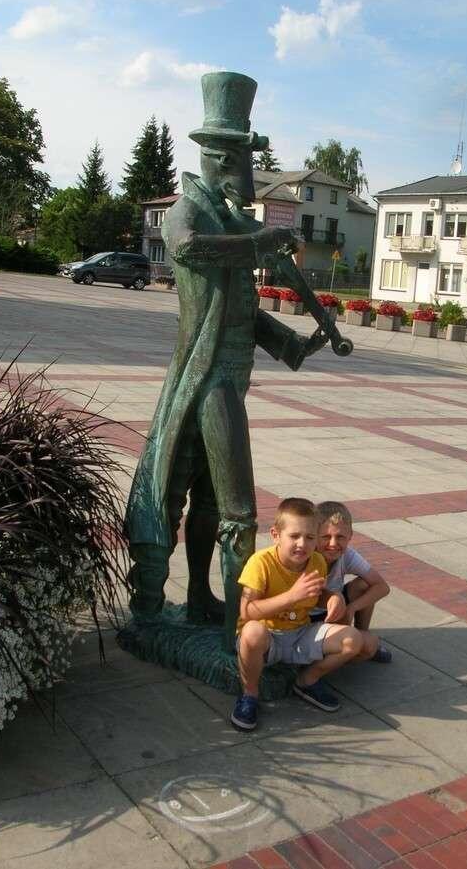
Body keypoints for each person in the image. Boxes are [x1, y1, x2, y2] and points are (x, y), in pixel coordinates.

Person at [123, 72, 328, 648]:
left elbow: (242, 311)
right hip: (207, 380)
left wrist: (291, 344)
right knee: (236, 505)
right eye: (242, 159)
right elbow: (186, 248)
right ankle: (243, 620)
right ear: (219, 158)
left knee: (210, 500)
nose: (249, 172)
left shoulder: (230, 220)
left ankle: (201, 598)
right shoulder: (188, 212)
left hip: (231, 377)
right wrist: (260, 242)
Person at [231, 497, 378, 731]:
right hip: (268, 636)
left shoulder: (316, 560)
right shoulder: (260, 563)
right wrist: (291, 596)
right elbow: (247, 611)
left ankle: (307, 680)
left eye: (310, 537)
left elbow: (316, 594)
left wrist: (331, 598)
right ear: (276, 535)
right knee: (252, 632)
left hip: (300, 632)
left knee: (353, 640)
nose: (302, 544)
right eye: (294, 536)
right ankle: (249, 694)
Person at [316, 501, 392, 664]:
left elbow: (382, 587)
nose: (333, 544)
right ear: (314, 535)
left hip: (336, 608)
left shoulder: (347, 555)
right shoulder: (306, 556)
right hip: (307, 616)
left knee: (365, 585)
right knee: (367, 646)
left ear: (350, 536)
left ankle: (360, 633)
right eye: (326, 537)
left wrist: (352, 608)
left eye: (340, 537)